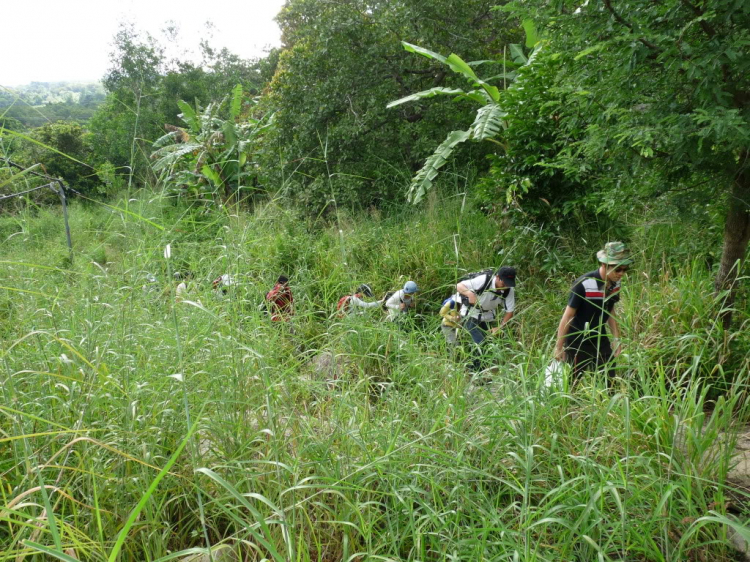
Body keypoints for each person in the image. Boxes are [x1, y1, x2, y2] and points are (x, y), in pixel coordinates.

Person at [554, 241, 632, 381]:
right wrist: (559, 347)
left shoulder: (615, 283)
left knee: (610, 379)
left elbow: (610, 310)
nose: (621, 274)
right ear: (604, 265)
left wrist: (616, 338)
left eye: (625, 270)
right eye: (618, 269)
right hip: (577, 340)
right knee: (573, 383)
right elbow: (568, 316)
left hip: (599, 338)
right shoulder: (583, 284)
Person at [456, 266, 517, 371]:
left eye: (508, 284)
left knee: (486, 344)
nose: (505, 287)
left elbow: (509, 311)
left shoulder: (509, 290)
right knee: (480, 342)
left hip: (487, 317)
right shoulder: (484, 280)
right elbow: (459, 285)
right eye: (504, 283)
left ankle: (473, 368)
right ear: (497, 277)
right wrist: (469, 293)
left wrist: (500, 327)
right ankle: (478, 374)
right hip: (470, 314)